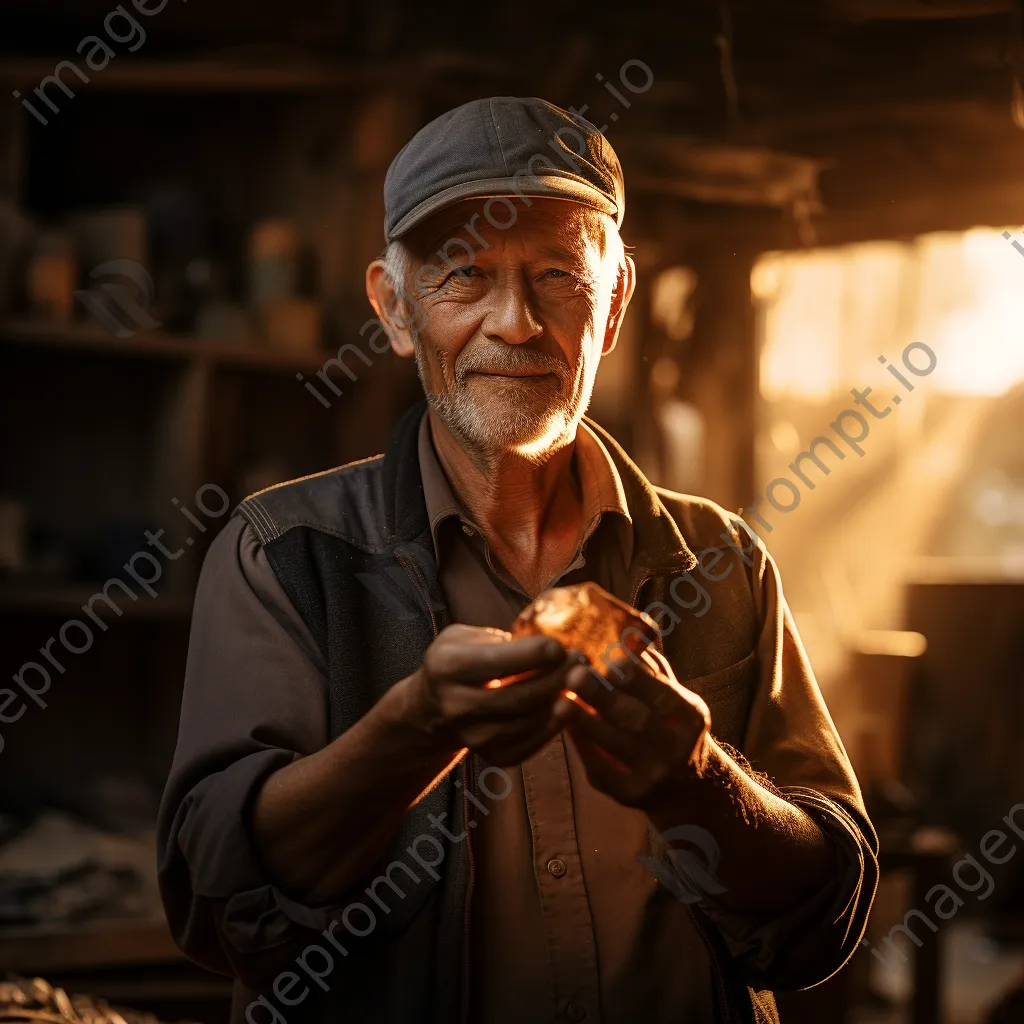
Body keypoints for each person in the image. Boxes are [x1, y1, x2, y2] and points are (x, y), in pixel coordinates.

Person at [157, 97, 878, 1024]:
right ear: (395, 308)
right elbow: (215, 908)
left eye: (558, 277)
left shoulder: (721, 562)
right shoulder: (284, 555)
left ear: (612, 307)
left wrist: (693, 776)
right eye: (465, 276)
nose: (518, 323)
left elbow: (826, 916)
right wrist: (413, 727)